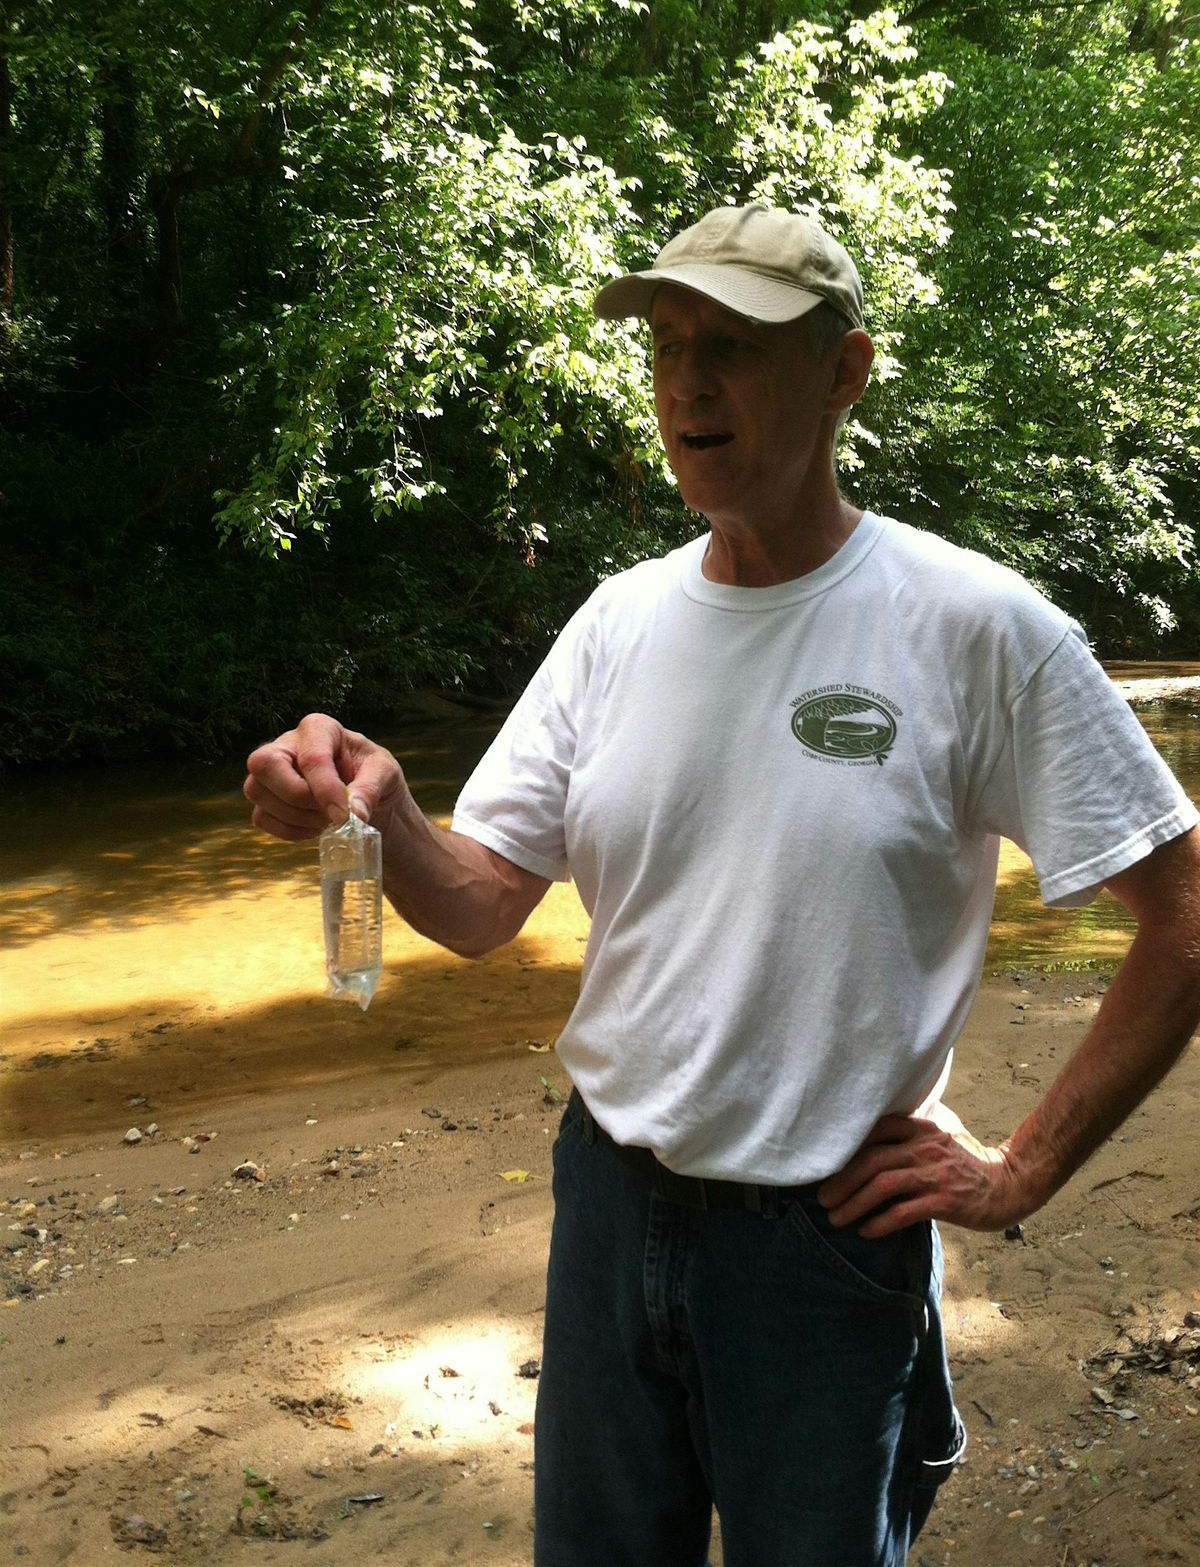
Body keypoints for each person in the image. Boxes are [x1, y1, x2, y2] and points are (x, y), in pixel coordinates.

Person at [244, 202, 1200, 1566]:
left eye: (736, 346)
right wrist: (385, 810)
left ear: (844, 373)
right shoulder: (618, 621)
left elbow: (1185, 913)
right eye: (669, 345)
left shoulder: (980, 629)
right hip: (608, 1209)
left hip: (823, 1248)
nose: (688, 383)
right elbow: (478, 906)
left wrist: (1024, 1170)